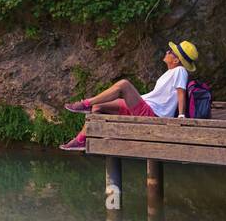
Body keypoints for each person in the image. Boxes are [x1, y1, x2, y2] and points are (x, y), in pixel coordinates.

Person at [59, 40, 199, 151]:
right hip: (145, 107)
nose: (168, 51)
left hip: (152, 114)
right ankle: (81, 140)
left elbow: (181, 92)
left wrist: (181, 116)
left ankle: (85, 103)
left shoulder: (180, 70)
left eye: (171, 52)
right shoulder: (170, 72)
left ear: (176, 60)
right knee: (99, 107)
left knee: (124, 85)